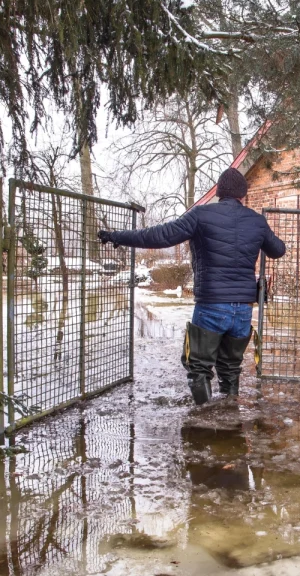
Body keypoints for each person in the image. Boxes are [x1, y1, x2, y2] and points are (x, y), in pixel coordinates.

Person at [99, 167, 286, 404]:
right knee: (230, 366)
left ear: (219, 192)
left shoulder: (201, 215)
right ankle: (229, 414)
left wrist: (118, 237)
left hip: (211, 305)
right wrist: (258, 233)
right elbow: (278, 250)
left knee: (198, 366)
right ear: (243, 194)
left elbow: (160, 235)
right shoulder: (257, 221)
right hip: (243, 309)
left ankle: (204, 418)